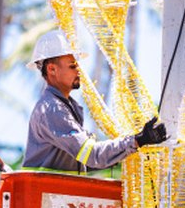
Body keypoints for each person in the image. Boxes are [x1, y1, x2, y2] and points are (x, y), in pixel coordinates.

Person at [24, 30, 167, 173]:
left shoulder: (64, 107)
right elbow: (92, 155)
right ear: (52, 69)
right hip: (43, 193)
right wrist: (136, 140)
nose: (79, 70)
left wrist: (120, 153)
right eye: (72, 66)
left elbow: (86, 161)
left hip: (52, 193)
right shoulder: (52, 109)